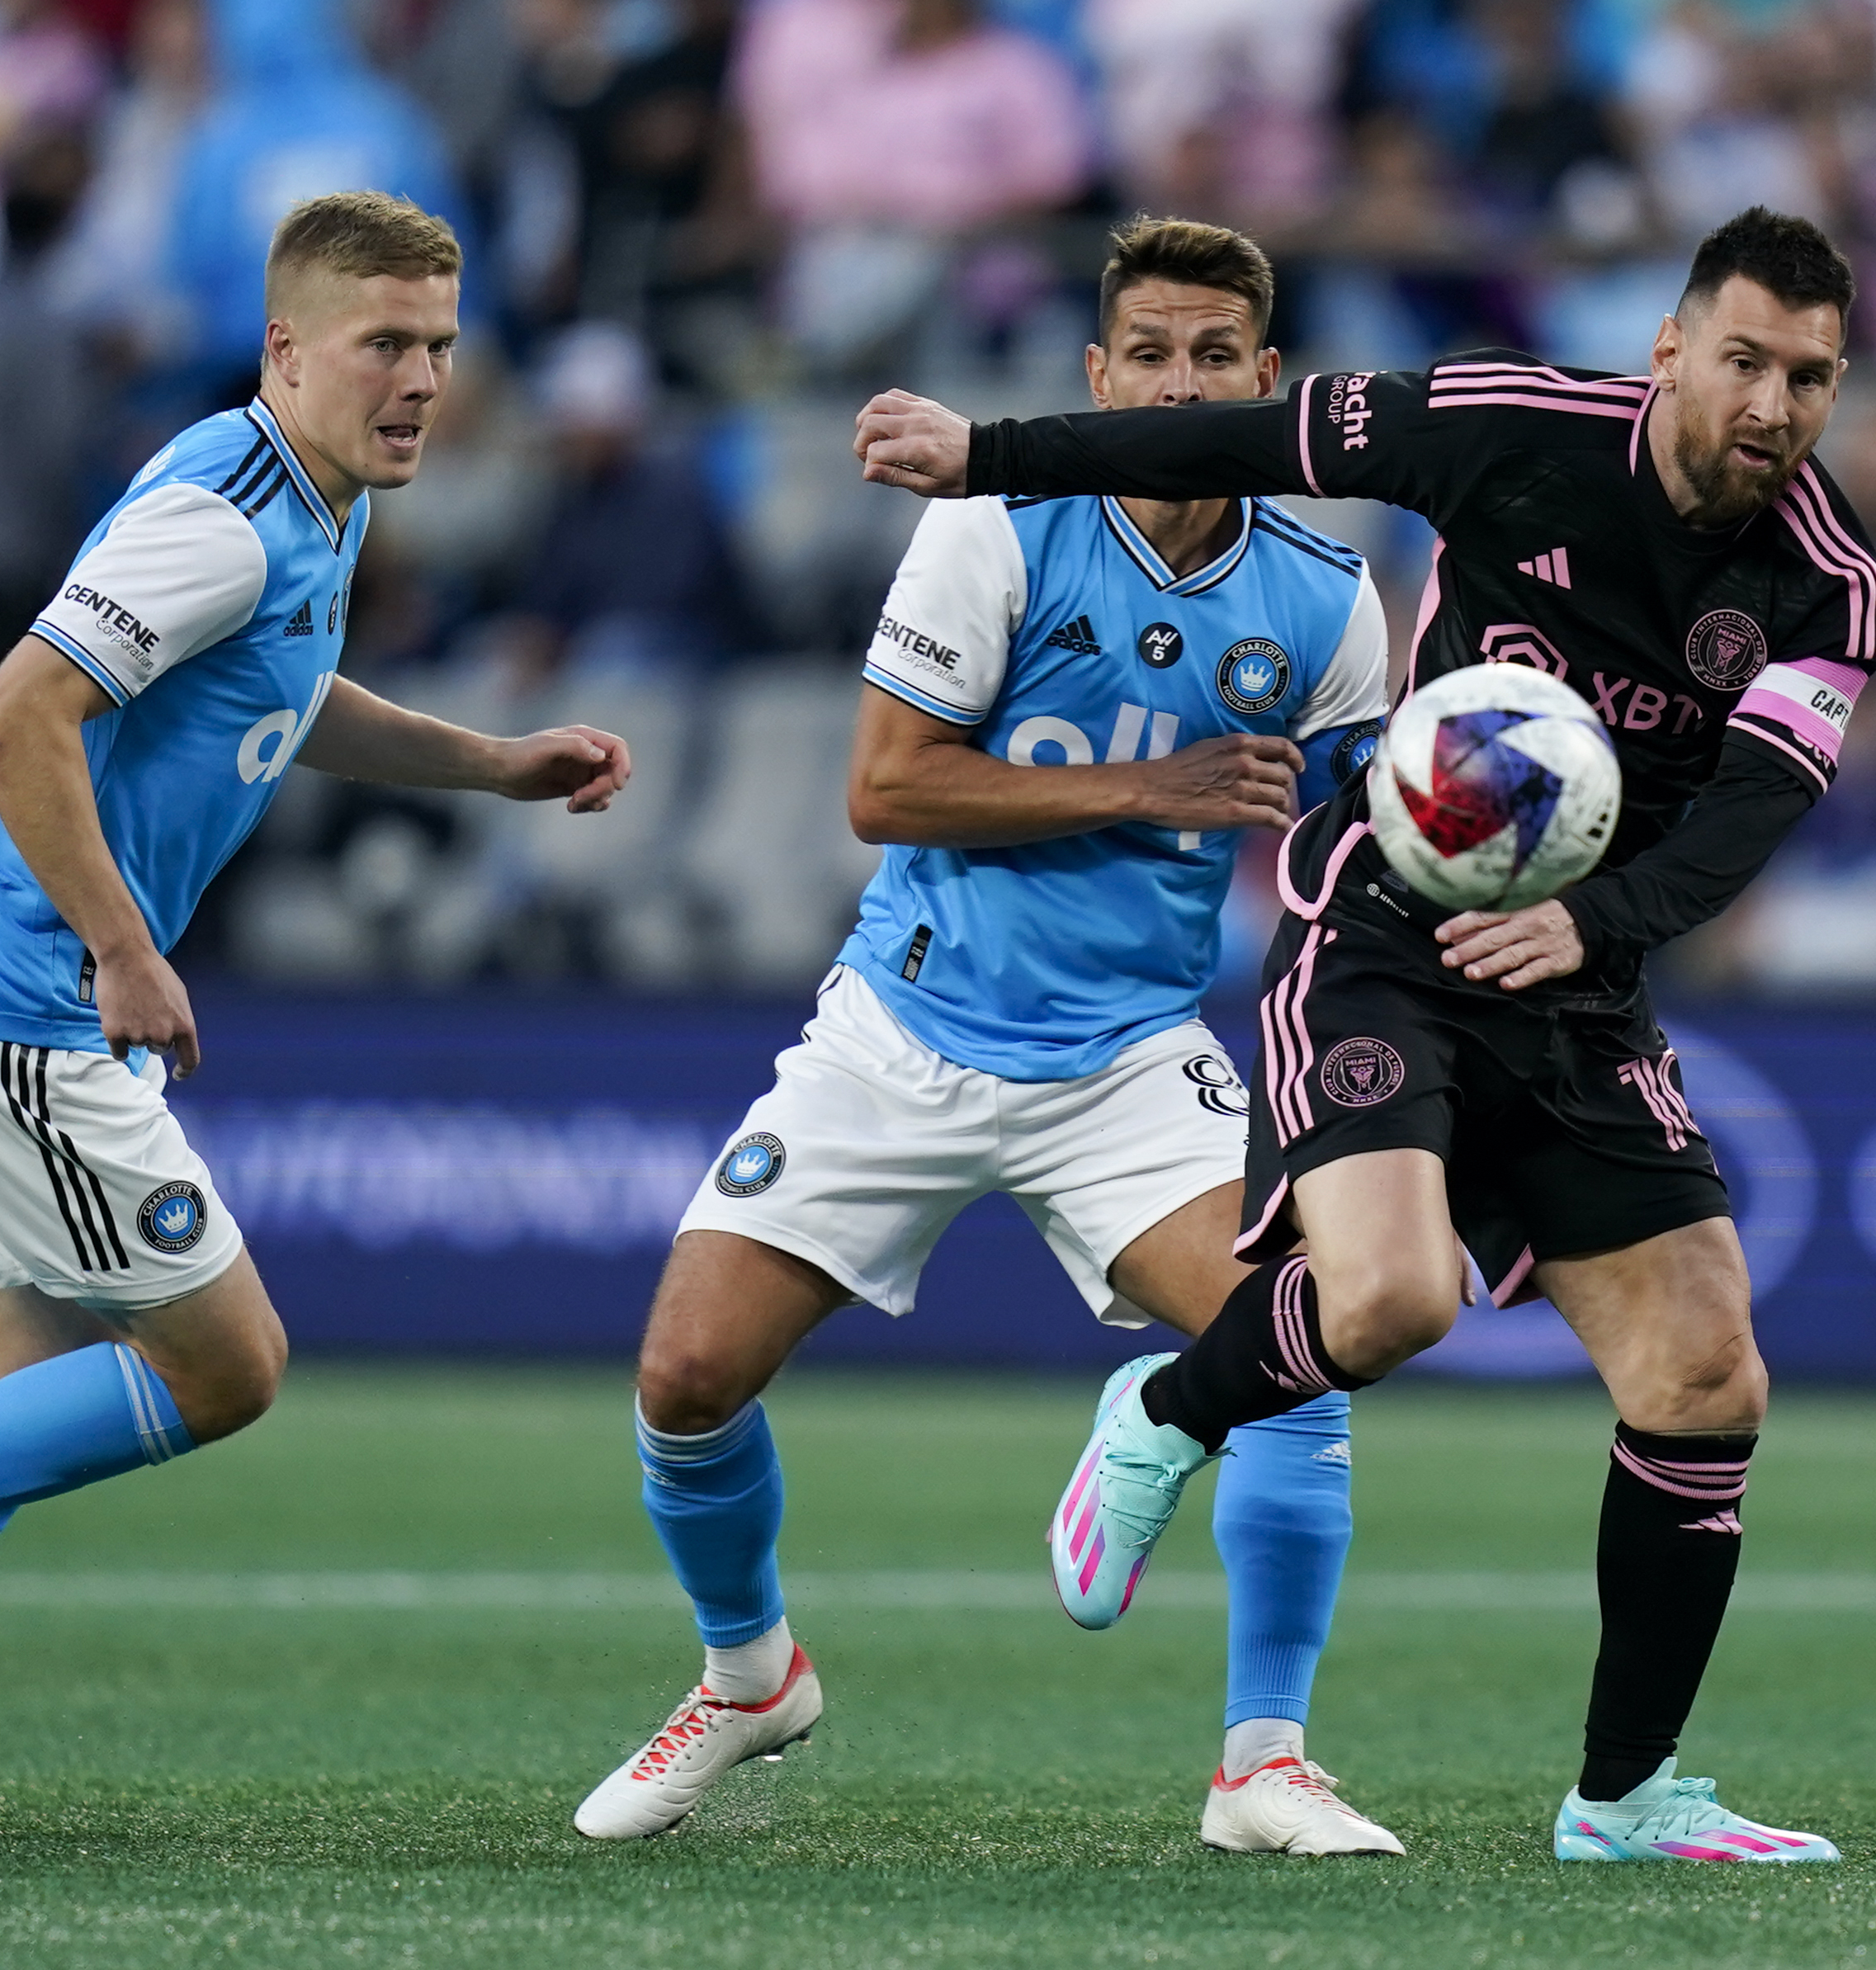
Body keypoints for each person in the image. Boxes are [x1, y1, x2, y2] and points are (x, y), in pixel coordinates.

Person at [854, 205, 1876, 1864]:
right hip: (1387, 934)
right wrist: (986, 456)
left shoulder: (1825, 587)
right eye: (1744, 361)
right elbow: (1240, 428)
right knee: (1388, 1300)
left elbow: (1745, 819)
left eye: (1809, 378)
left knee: (1704, 1375)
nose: (1770, 407)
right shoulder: (1506, 427)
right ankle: (1162, 1418)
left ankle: (1620, 1802)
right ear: (1672, 349)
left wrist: (1592, 926)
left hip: (1576, 978)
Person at [0, 191, 633, 1817]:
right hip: (22, 1007)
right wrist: (124, 947)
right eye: (381, 346)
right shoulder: (227, 511)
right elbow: (13, 715)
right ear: (285, 350)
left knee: (30, 1407)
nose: (417, 380)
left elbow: (273, 688)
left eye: (439, 348)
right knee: (227, 1365)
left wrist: (487, 762)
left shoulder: (308, 501)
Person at [574, 218, 1400, 1854]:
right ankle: (748, 1678)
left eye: (1211, 357)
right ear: (1096, 379)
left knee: (1300, 1348)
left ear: (1266, 378)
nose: (1178, 384)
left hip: (1124, 1058)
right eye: (1145, 357)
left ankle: (1262, 1764)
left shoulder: (1325, 599)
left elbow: (1360, 848)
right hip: (906, 1024)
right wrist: (1146, 789)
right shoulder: (997, 531)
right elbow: (882, 788)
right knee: (682, 1373)